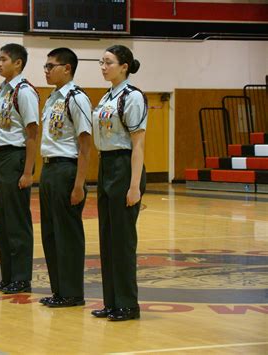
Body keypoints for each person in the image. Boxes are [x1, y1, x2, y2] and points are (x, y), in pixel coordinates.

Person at [91, 45, 148, 321]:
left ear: (124, 66)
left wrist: (134, 185)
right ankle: (112, 301)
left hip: (124, 166)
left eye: (109, 62)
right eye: (101, 62)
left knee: (122, 241)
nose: (103, 67)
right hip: (106, 166)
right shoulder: (106, 97)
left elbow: (138, 144)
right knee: (108, 239)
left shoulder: (132, 96)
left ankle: (127, 304)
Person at [39, 48, 92, 307]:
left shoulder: (77, 98)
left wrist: (79, 184)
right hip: (49, 169)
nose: (46, 70)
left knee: (67, 235)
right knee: (50, 234)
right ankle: (58, 290)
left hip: (66, 169)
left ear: (67, 68)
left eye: (51, 66)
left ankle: (72, 293)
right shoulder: (51, 98)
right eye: (46, 66)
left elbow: (84, 144)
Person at [0, 43, 39, 294]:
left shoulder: (24, 91)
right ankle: (7, 276)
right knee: (3, 220)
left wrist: (28, 171)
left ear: (18, 63)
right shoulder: (2, 91)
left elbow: (32, 132)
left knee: (17, 221)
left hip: (16, 157)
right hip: (0, 157)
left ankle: (21, 277)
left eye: (4, 59)